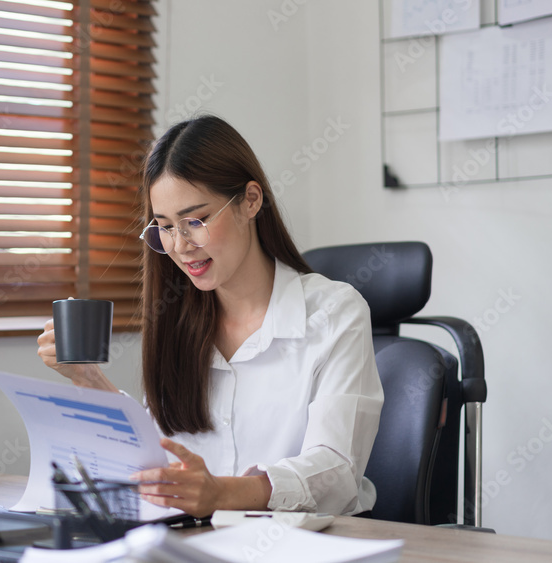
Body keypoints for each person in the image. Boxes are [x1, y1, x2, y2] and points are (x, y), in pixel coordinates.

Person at [37, 115, 383, 518]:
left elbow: (336, 472)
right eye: (164, 227)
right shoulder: (179, 318)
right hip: (195, 543)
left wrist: (220, 493)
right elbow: (162, 456)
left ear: (250, 201)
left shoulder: (335, 312)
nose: (180, 246)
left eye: (195, 221)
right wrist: (89, 380)